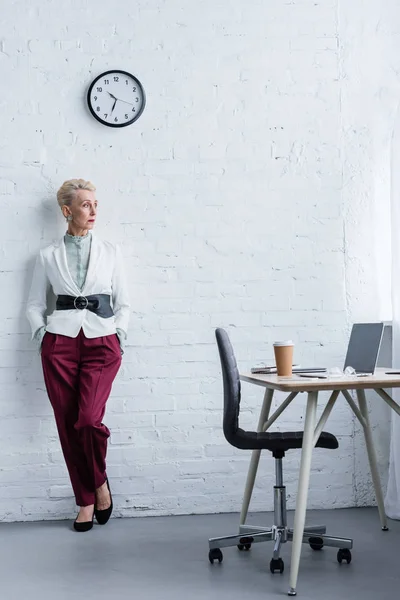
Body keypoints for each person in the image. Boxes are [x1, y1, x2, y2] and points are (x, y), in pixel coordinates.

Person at [26, 179, 130, 532]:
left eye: (96, 204)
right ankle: (85, 500)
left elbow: (124, 302)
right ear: (67, 211)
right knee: (67, 425)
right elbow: (34, 304)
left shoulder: (111, 252)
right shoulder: (46, 255)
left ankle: (98, 483)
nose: (94, 211)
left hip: (102, 343)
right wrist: (42, 335)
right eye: (86, 205)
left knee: (87, 419)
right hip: (60, 345)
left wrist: (119, 335)